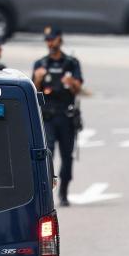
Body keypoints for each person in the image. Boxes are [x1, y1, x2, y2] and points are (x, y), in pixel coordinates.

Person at [33, 26, 83, 207]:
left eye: (52, 39)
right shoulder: (40, 63)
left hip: (66, 115)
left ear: (59, 39)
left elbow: (78, 89)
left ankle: (64, 192)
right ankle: (48, 192)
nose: (50, 43)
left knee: (67, 156)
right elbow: (35, 91)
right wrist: (38, 79)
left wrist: (71, 84)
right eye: (47, 40)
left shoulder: (71, 62)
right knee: (48, 155)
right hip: (48, 117)